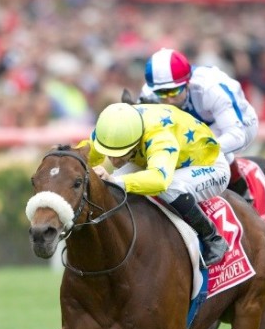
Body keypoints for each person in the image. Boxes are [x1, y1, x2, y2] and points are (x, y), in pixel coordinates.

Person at [86, 102, 230, 266]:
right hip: (166, 160)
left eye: (121, 154)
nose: (114, 160)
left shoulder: (159, 135)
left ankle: (212, 238)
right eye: (109, 154)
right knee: (113, 186)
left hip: (209, 166)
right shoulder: (110, 130)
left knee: (169, 188)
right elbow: (85, 156)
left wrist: (115, 180)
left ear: (136, 140)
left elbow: (159, 180)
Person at [140, 48, 259, 200]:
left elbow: (236, 136)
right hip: (198, 125)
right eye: (162, 93)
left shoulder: (210, 88)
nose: (168, 99)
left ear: (187, 82)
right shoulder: (148, 93)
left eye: (174, 91)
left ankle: (244, 195)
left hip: (241, 124)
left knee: (207, 148)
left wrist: (196, 151)